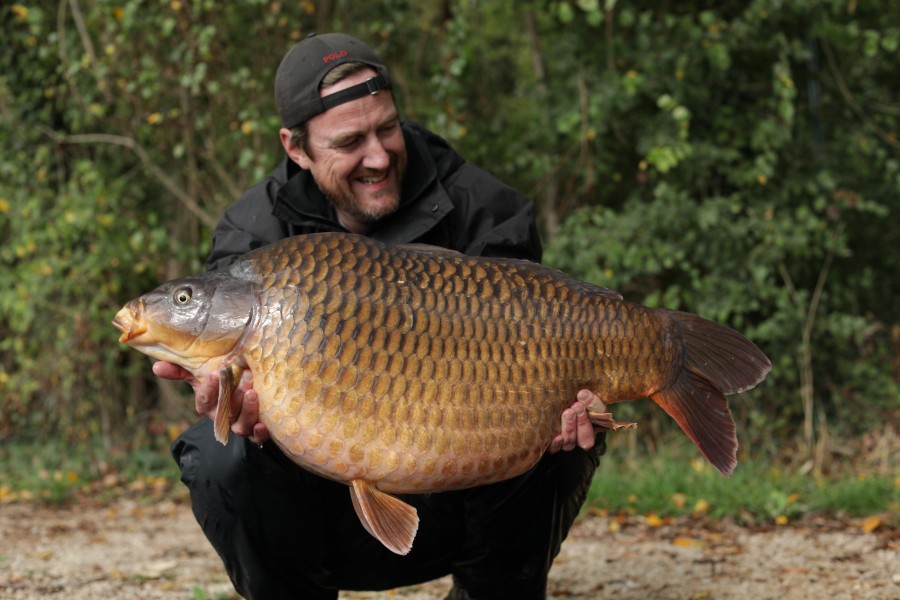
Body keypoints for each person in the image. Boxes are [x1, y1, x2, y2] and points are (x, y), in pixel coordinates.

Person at [153, 32, 606, 600]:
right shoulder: (253, 238)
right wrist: (223, 398)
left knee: (562, 434)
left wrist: (566, 394)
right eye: (349, 141)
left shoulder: (485, 208)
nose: (379, 155)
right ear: (296, 149)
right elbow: (220, 378)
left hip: (464, 483)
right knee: (220, 454)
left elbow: (534, 348)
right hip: (324, 512)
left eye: (387, 128)